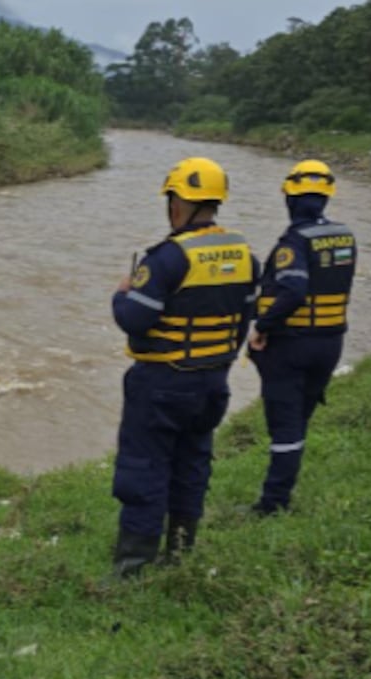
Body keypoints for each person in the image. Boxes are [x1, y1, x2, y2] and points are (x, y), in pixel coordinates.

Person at [109, 157, 260, 578]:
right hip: (213, 382)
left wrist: (121, 294)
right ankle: (180, 551)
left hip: (161, 382)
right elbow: (244, 320)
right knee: (192, 463)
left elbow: (133, 319)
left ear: (177, 202)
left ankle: (133, 566)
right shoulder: (246, 255)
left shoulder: (166, 259)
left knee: (144, 468)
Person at [247, 160, 356, 516]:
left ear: (290, 198)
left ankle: (273, 503)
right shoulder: (345, 236)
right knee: (299, 419)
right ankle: (282, 486)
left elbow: (293, 290)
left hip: (293, 344)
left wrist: (262, 326)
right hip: (330, 342)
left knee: (285, 425)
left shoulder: (294, 241)